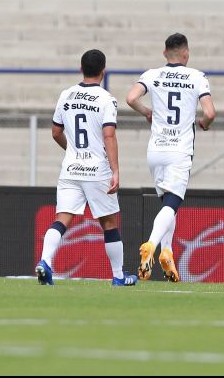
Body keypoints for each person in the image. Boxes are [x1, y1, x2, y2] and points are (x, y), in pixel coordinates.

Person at [36, 49, 137, 287]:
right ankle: (119, 277)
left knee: (61, 219)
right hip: (97, 170)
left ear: (81, 68)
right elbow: (109, 135)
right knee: (109, 224)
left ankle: (45, 262)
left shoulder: (66, 95)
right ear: (103, 71)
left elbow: (55, 132)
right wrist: (115, 170)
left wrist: (73, 151)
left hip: (71, 168)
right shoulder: (106, 99)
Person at [126, 33, 216, 282]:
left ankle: (168, 255)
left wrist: (147, 112)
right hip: (179, 150)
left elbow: (131, 98)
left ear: (165, 53)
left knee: (167, 204)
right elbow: (210, 111)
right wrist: (204, 123)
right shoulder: (197, 77)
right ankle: (152, 246)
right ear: (186, 54)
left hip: (156, 150)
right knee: (173, 203)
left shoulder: (152, 74)